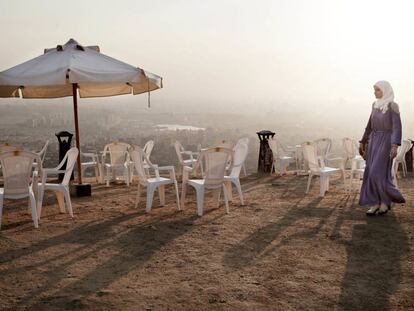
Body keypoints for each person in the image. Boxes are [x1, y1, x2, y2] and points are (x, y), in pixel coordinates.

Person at [359, 80, 405, 215]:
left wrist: (394, 145)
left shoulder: (393, 106)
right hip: (373, 142)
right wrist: (363, 141)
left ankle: (386, 201)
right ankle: (376, 203)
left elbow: (397, 127)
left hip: (386, 142)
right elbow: (369, 125)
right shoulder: (374, 105)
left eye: (378, 89)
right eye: (374, 89)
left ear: (385, 90)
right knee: (370, 173)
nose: (375, 92)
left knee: (377, 173)